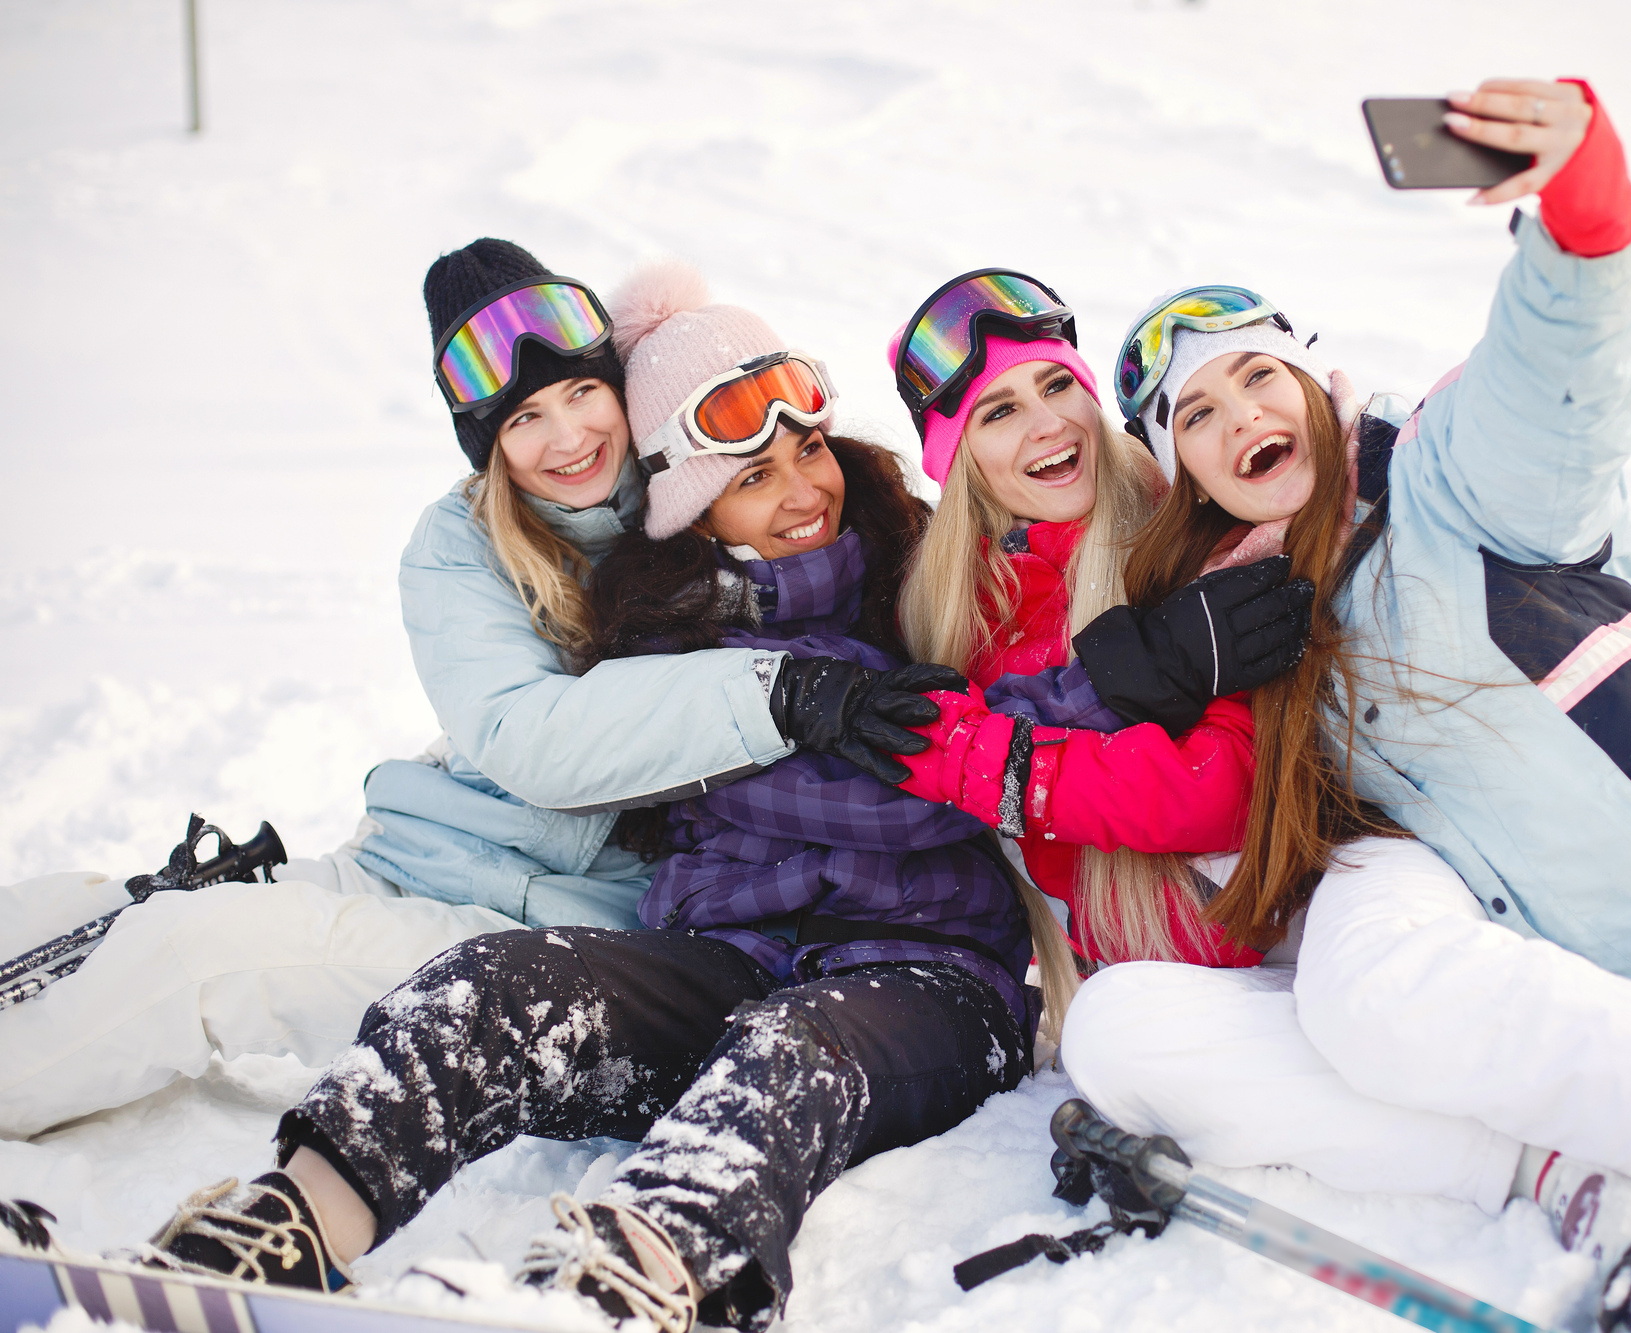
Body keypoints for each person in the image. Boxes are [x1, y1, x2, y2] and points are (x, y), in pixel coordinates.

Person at [1065, 79, 1631, 1333]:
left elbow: (1551, 390)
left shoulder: (1444, 480)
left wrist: (1579, 218)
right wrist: (1141, 677)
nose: (1239, 417)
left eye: (1255, 376)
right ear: (1179, 464)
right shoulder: (1247, 654)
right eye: (1194, 412)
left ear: (1309, 378)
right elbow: (1242, 854)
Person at [130, 265, 1053, 1333]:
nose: (805, 490)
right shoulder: (661, 644)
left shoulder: (926, 568)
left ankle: (641, 1268)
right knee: (484, 986)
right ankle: (292, 1221)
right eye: (752, 473)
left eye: (809, 449)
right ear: (692, 510)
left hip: (932, 982)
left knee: (791, 1053)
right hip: (731, 957)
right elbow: (555, 746)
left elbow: (1022, 725)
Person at [0, 241, 941, 1139]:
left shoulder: (705, 497)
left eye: (583, 392)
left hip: (552, 923)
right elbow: (526, 738)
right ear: (486, 443)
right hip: (414, 856)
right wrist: (779, 693)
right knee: (123, 910)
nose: (568, 437)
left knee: (201, 956)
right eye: (526, 418)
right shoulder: (463, 540)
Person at [885, 269, 1314, 972]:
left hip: (1285, 937)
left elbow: (1221, 790)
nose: (1049, 424)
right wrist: (1109, 685)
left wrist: (983, 755)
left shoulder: (1192, 519)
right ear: (961, 461)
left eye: (1057, 387)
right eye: (999, 412)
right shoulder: (955, 618)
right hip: (1137, 975)